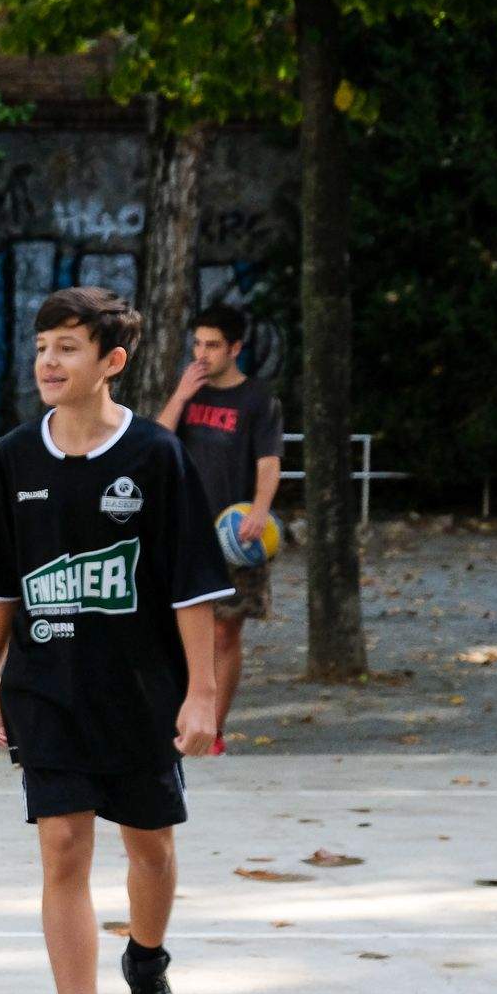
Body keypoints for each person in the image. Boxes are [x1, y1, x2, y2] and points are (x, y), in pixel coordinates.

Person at [0, 286, 232, 994]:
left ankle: (147, 963)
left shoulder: (155, 456)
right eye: (42, 345)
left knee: (148, 847)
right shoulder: (12, 457)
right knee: (62, 849)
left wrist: (201, 693)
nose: (48, 361)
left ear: (110, 362)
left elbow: (193, 586)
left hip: (138, 690)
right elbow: (3, 583)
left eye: (68, 348)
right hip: (47, 688)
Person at [155, 304, 284, 755]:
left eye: (212, 345)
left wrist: (260, 512)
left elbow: (269, 463)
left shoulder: (258, 401)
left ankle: (214, 729)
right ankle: (179, 717)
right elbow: (156, 444)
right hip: (185, 530)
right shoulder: (191, 393)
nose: (202, 354)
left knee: (226, 632)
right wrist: (180, 396)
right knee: (181, 629)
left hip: (235, 537)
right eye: (197, 344)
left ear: (235, 348)